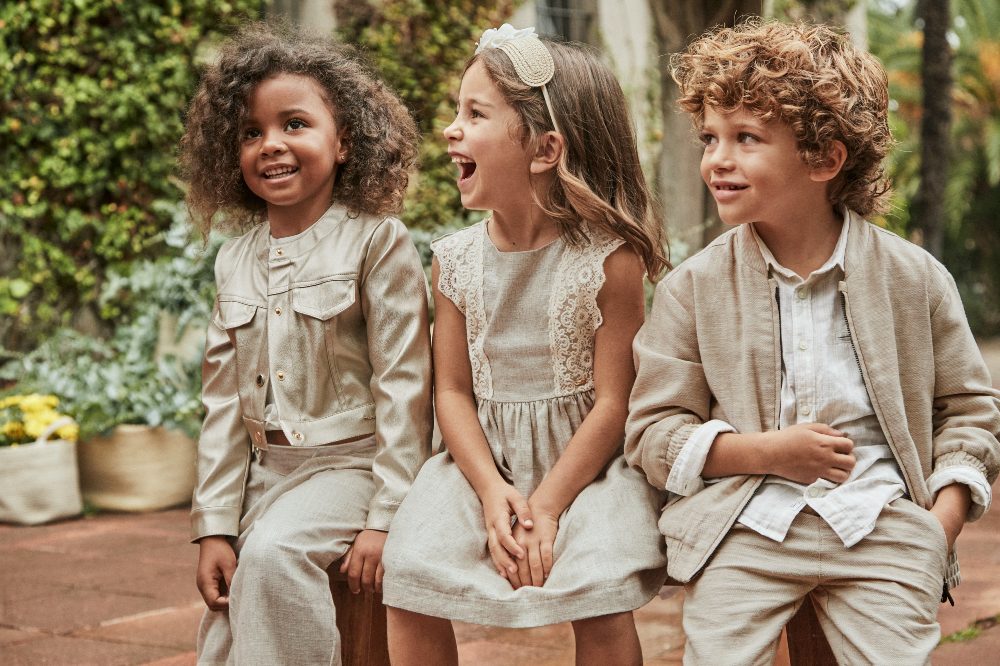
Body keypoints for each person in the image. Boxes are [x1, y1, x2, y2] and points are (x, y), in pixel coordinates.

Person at [625, 19, 1000, 665]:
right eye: (711, 137)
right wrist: (765, 452)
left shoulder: (915, 279)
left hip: (882, 523)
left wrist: (938, 524)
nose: (717, 158)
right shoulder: (694, 288)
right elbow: (652, 431)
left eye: (747, 138)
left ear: (825, 159)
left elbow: (968, 410)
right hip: (746, 526)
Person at [380, 24, 670, 665]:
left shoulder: (608, 261)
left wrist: (546, 505)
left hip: (586, 469)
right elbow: (451, 390)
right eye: (458, 111)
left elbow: (613, 404)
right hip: (481, 463)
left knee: (599, 588)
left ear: (545, 149)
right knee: (409, 572)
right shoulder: (453, 261)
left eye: (475, 113)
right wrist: (491, 492)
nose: (451, 129)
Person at [179, 24, 432, 666]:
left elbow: (406, 387)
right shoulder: (234, 261)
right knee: (225, 617)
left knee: (273, 555)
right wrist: (212, 525)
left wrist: (386, 514)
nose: (272, 145)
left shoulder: (378, 241)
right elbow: (222, 408)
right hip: (267, 476)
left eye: (295, 124)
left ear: (344, 140)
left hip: (351, 467)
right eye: (250, 132)